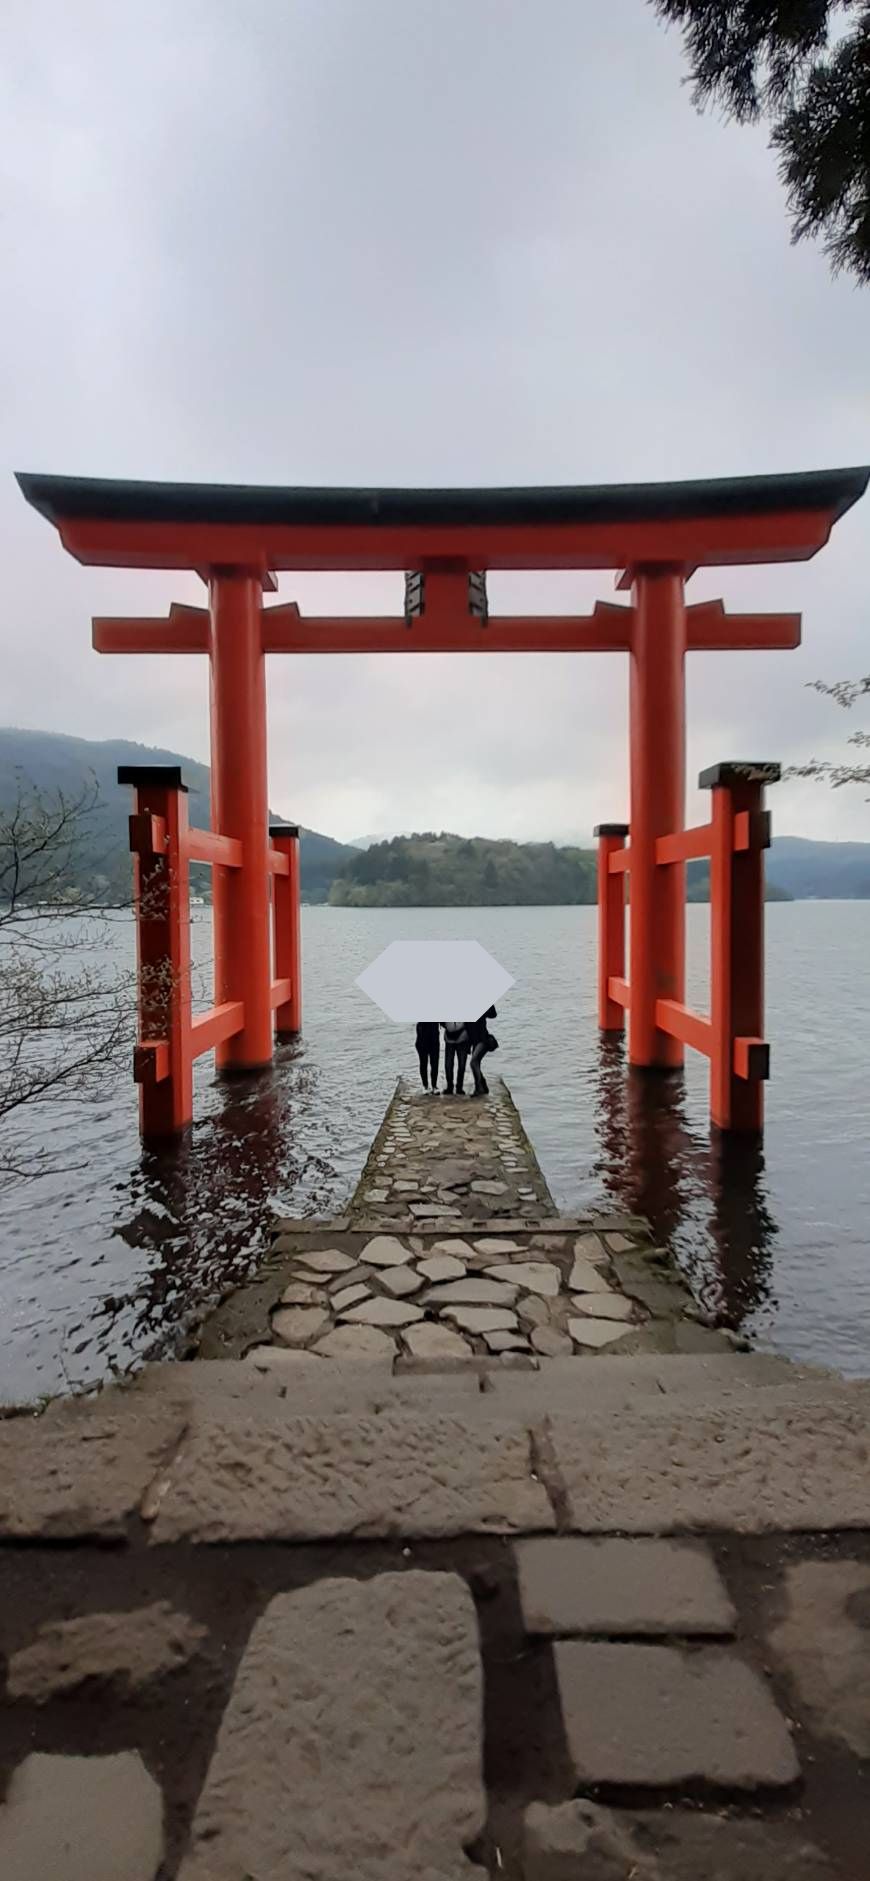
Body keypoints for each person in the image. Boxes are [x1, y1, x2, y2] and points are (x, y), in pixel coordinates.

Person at [467, 1004, 498, 1096]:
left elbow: (493, 1014)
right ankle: (483, 1086)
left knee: (474, 1062)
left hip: (483, 1038)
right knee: (476, 1063)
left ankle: (479, 1087)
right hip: (473, 1040)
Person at [442, 1020, 469, 1096]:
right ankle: (449, 1087)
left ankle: (459, 1087)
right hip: (449, 1036)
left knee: (462, 1064)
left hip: (463, 1036)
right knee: (448, 1064)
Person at [415, 1021, 440, 1093]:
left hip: (434, 1040)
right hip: (422, 1040)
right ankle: (425, 1086)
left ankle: (434, 1086)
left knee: (434, 1063)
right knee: (423, 1063)